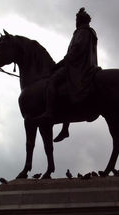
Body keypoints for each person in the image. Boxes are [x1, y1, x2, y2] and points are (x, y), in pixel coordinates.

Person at [38, 7, 100, 142]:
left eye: (77, 19)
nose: (75, 22)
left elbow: (76, 50)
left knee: (52, 81)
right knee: (65, 91)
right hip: (83, 65)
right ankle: (65, 128)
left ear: (80, 20)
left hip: (77, 67)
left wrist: (61, 63)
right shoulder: (88, 33)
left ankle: (49, 112)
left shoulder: (83, 32)